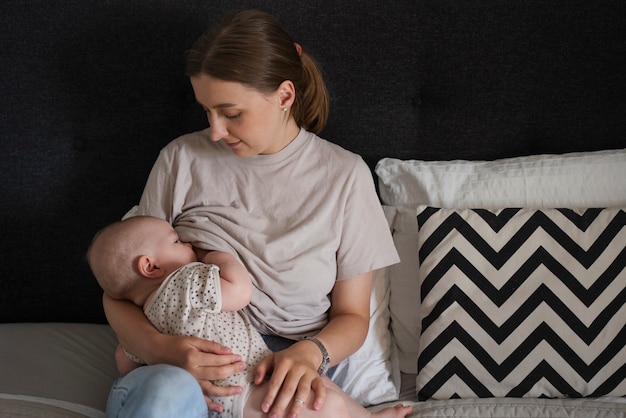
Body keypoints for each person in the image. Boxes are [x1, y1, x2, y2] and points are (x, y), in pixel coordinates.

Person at [102, 8, 406, 418]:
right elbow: (121, 287)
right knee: (164, 396)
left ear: (284, 95)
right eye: (206, 111)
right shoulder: (181, 160)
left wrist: (309, 354)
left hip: (279, 368)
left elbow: (351, 317)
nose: (214, 131)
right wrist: (162, 350)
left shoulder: (344, 177)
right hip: (176, 359)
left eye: (231, 113)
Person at [88, 215, 412, 418]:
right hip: (248, 389)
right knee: (327, 402)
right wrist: (216, 256)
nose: (186, 242)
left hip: (216, 399)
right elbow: (239, 291)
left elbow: (124, 360)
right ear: (151, 266)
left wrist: (153, 352)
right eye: (176, 241)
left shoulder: (145, 313)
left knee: (320, 387)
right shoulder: (186, 282)